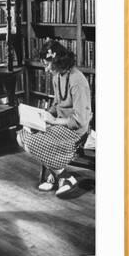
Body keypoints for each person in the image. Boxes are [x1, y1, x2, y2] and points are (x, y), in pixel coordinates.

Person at [17, 39, 92, 198]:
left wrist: (53, 121)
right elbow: (57, 104)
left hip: (76, 131)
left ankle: (65, 177)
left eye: (47, 64)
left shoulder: (77, 81)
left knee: (32, 141)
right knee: (22, 135)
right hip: (59, 125)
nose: (46, 69)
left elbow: (80, 120)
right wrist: (42, 116)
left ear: (58, 60)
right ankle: (57, 172)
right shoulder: (57, 75)